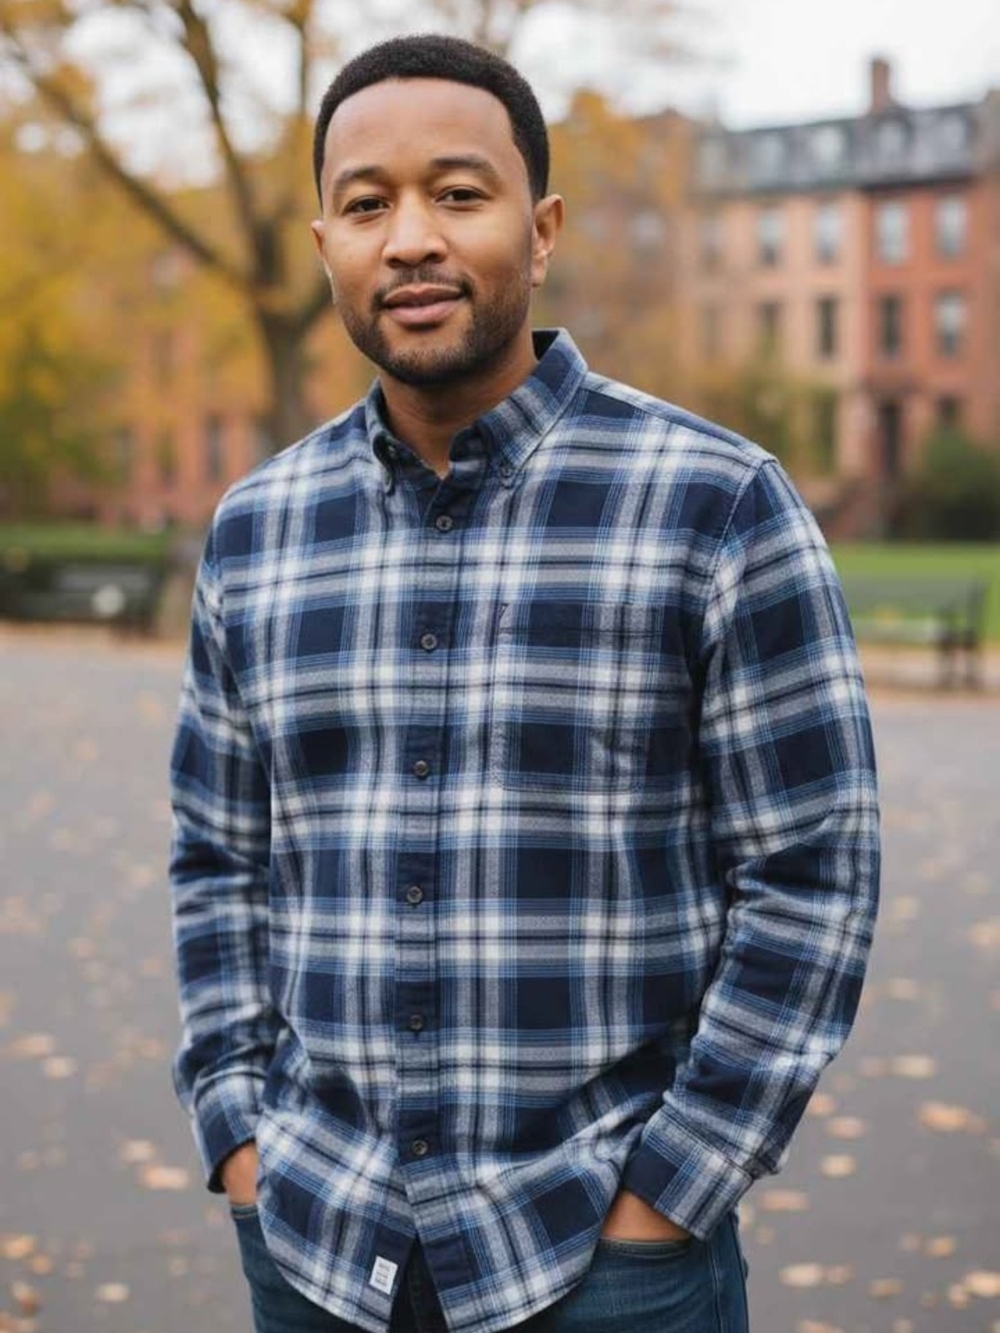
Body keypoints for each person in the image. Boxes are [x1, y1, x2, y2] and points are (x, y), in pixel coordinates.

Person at [168, 33, 880, 1333]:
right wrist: (237, 1133)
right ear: (325, 239)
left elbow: (811, 870)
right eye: (369, 204)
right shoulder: (256, 530)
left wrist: (674, 1189)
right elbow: (218, 854)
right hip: (316, 1243)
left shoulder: (714, 503)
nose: (412, 239)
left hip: (610, 1256)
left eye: (459, 191)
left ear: (539, 230)